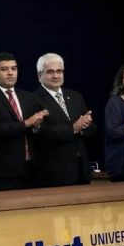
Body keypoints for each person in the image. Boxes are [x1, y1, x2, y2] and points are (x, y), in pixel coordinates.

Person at [0, 52, 47, 191]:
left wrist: (36, 126)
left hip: (29, 168)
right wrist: (25, 124)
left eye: (14, 68)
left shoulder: (27, 96)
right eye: (4, 69)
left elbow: (34, 129)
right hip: (1, 172)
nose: (10, 73)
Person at [30, 53, 96, 187]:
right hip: (54, 173)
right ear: (39, 75)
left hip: (81, 169)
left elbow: (92, 128)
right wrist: (73, 129)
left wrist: (85, 126)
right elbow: (40, 133)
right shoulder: (32, 99)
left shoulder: (75, 96)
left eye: (59, 71)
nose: (56, 76)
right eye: (50, 72)